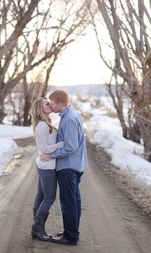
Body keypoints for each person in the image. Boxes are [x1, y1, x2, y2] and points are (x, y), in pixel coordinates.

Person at [40, 90, 88, 245]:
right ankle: (71, 231)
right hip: (75, 164)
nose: (51, 105)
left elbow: (71, 146)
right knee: (74, 201)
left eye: (52, 103)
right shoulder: (72, 114)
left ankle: (70, 237)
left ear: (59, 104)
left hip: (68, 167)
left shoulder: (69, 120)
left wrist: (50, 155)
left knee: (68, 203)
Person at [30, 97, 64, 241]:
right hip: (47, 166)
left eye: (50, 102)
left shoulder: (45, 123)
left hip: (45, 165)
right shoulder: (42, 126)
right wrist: (61, 144)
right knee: (49, 197)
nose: (50, 105)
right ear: (40, 108)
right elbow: (43, 148)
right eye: (47, 104)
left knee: (41, 196)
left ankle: (37, 229)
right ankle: (37, 228)